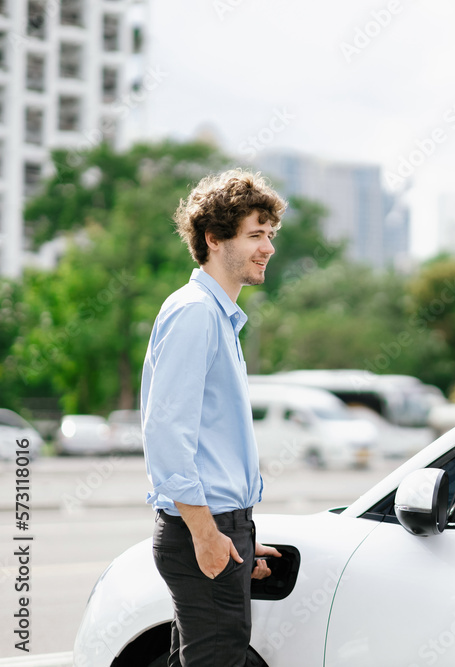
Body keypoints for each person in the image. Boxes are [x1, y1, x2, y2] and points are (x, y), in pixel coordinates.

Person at [141, 169, 286, 667]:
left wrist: (240, 531)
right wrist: (207, 532)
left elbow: (210, 440)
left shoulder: (217, 316)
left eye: (270, 235)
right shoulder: (197, 313)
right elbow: (166, 432)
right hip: (200, 527)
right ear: (214, 238)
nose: (267, 248)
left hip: (221, 525)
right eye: (254, 235)